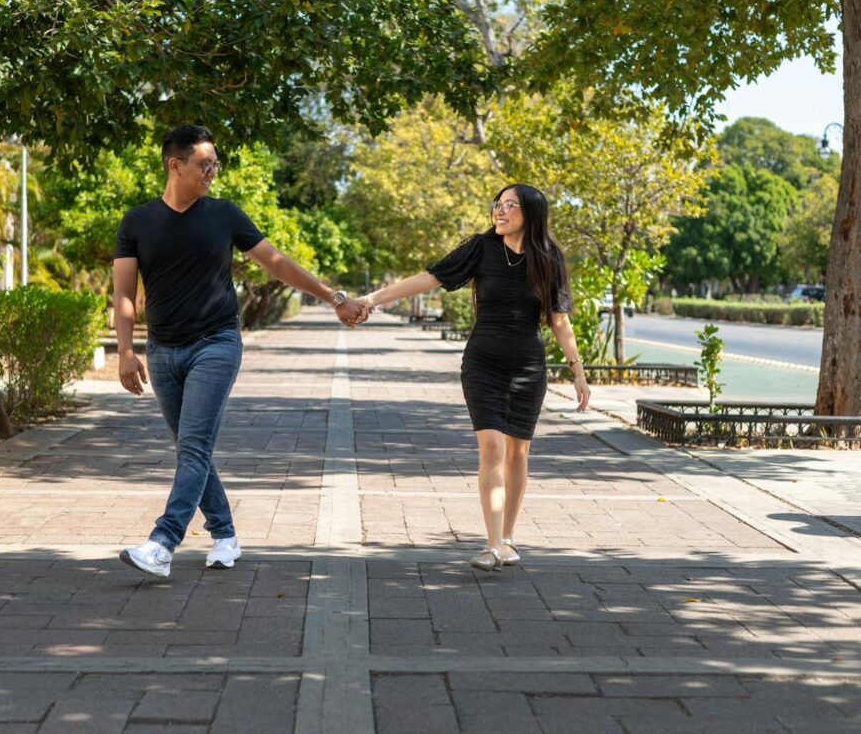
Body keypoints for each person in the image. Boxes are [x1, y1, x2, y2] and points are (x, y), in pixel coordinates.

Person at [113, 125, 367, 577]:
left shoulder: (224, 214)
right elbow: (125, 295)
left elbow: (276, 262)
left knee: (192, 446)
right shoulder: (137, 222)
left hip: (216, 343)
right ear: (175, 165)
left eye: (216, 164)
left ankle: (162, 543)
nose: (212, 172)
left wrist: (334, 298)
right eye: (204, 164)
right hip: (163, 351)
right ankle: (225, 533)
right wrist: (126, 351)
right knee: (193, 449)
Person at [356, 183, 590, 572]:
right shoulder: (481, 248)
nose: (500, 211)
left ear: (530, 213)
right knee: (492, 448)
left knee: (519, 452)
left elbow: (559, 320)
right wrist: (372, 300)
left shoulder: (548, 256)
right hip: (483, 364)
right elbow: (429, 278)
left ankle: (509, 539)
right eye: (498, 205)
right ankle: (493, 544)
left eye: (510, 206)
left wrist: (578, 373)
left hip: (529, 368)